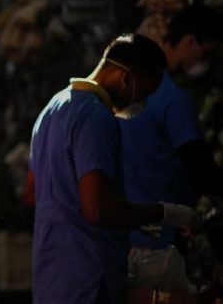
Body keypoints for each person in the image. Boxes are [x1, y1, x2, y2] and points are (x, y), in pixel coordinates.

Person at [23, 34, 200, 304]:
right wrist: (165, 213)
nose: (141, 103)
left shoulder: (52, 107)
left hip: (52, 277)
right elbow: (97, 209)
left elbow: (31, 192)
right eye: (145, 93)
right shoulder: (96, 117)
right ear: (126, 78)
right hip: (87, 279)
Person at [121, 6, 223, 290]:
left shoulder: (128, 88)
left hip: (123, 241)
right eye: (207, 52)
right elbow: (200, 167)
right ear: (189, 42)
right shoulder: (173, 99)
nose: (206, 61)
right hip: (161, 244)